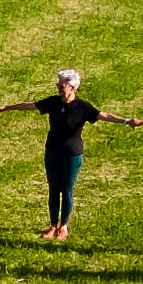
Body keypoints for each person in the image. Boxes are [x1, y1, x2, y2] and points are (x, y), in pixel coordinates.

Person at [28, 70, 106, 242]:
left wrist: (126, 121)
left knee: (67, 189)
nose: (58, 88)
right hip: (52, 151)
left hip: (72, 154)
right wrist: (4, 108)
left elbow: (103, 116)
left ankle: (64, 226)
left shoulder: (83, 107)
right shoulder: (54, 102)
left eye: (61, 85)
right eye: (58, 84)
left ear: (72, 87)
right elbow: (30, 105)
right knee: (53, 189)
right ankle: (53, 225)